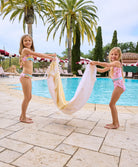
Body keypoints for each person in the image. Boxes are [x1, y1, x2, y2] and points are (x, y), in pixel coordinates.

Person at [19, 34, 56, 123]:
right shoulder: (25, 50)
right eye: (25, 40)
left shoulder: (29, 52)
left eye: (29, 40)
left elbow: (39, 55)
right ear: (22, 43)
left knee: (29, 97)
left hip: (28, 77)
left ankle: (22, 115)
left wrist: (51, 54)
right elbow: (38, 54)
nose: (28, 42)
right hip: (25, 76)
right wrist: (50, 58)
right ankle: (23, 117)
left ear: (32, 42)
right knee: (27, 97)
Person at [90, 47, 125, 129]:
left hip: (119, 86)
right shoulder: (113, 64)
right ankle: (115, 123)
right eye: (112, 54)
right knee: (112, 104)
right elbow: (102, 70)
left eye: (116, 54)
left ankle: (115, 124)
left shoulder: (117, 63)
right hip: (118, 86)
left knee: (111, 104)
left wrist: (96, 62)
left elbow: (107, 64)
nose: (113, 56)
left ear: (119, 55)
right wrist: (93, 69)